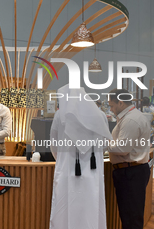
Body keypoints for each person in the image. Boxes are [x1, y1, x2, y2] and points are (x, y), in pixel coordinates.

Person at [49, 85, 112, 229]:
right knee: (92, 208)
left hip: (66, 171)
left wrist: (63, 161)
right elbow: (104, 144)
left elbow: (54, 144)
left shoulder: (60, 115)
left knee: (63, 211)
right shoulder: (100, 115)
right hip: (93, 170)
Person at [108, 89, 150, 229]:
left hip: (131, 172)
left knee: (131, 217)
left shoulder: (131, 119)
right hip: (130, 171)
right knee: (129, 215)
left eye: (112, 105)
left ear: (120, 102)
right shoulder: (130, 116)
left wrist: (101, 144)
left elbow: (122, 148)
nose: (111, 109)